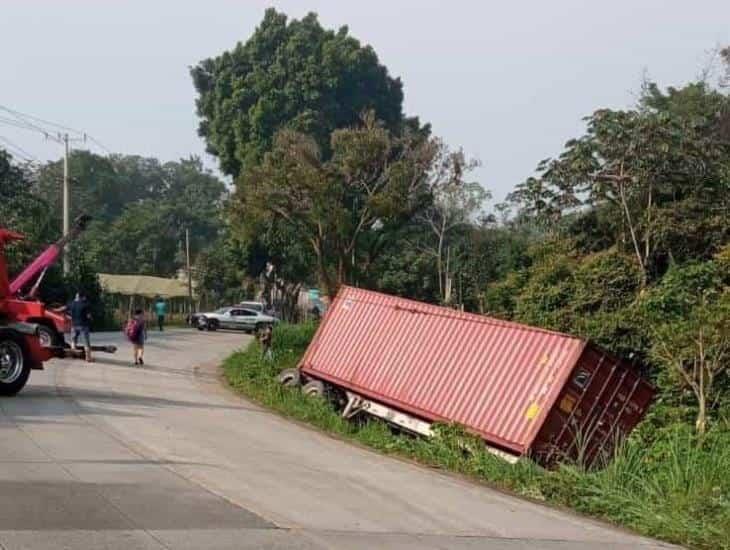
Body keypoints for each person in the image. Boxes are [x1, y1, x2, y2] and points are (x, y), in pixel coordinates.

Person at [67, 291, 93, 363]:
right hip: (83, 326)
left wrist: (54, 310)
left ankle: (73, 354)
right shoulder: (85, 304)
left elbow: (64, 309)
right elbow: (88, 316)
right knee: (86, 342)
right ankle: (88, 358)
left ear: (76, 296)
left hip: (74, 325)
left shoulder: (71, 303)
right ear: (82, 297)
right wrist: (91, 319)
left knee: (73, 340)